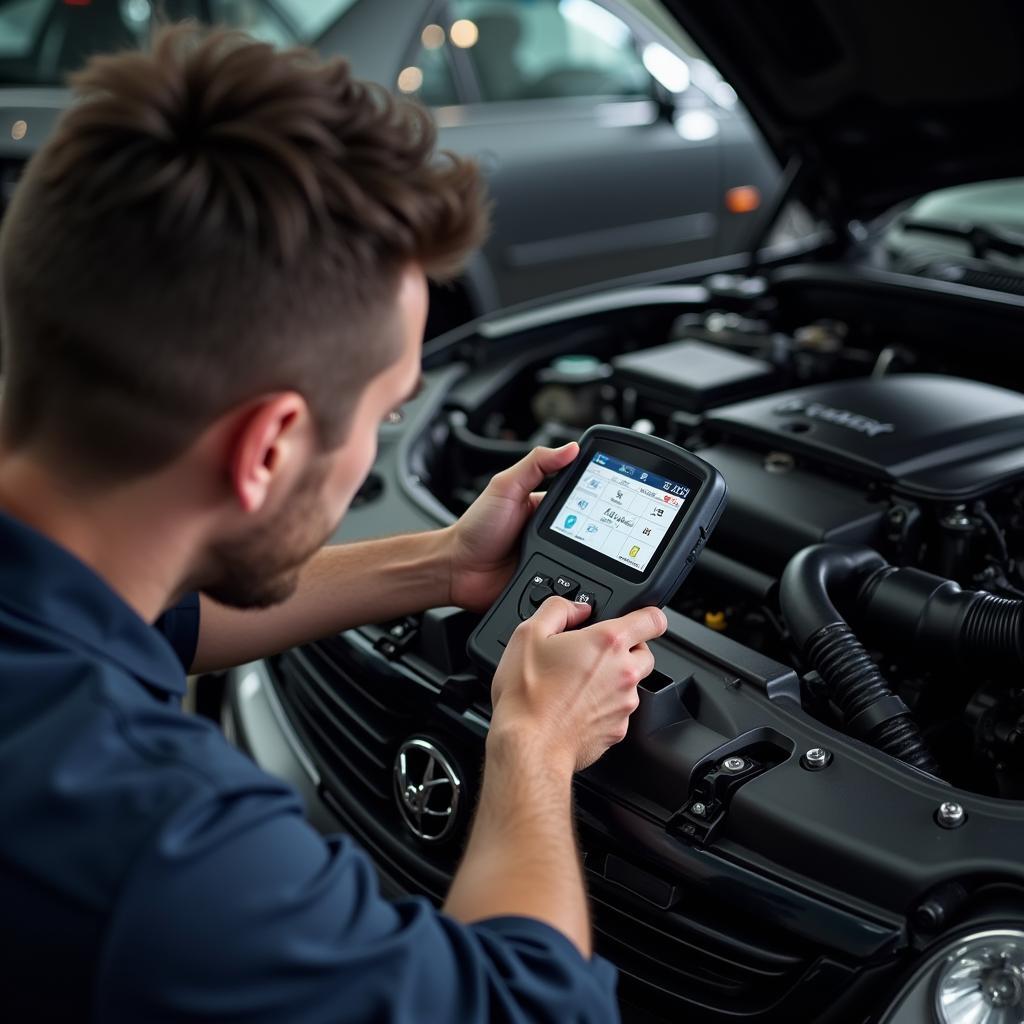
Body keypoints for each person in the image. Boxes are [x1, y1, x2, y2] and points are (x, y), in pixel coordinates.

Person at [0, 26, 667, 1023]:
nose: (380, 437)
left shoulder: (57, 580)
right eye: (384, 411)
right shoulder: (157, 846)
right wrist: (532, 747)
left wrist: (443, 562)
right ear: (266, 446)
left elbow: (149, 614)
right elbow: (532, 1008)